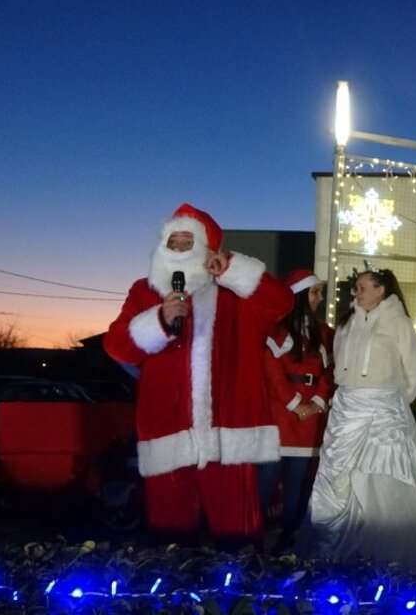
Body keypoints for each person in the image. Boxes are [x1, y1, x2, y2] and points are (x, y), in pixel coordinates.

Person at [103, 203, 293, 550]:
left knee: (238, 536)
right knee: (170, 539)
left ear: (207, 248)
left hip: (227, 432)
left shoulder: (235, 295)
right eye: (171, 240)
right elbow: (117, 346)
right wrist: (158, 320)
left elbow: (281, 303)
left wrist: (234, 270)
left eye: (186, 240)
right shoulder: (144, 292)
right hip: (167, 432)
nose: (176, 247)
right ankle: (172, 598)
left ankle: (238, 599)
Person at [297, 267, 416, 572]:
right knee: (338, 476)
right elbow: (338, 362)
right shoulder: (347, 322)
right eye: (357, 287)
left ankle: (390, 551)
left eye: (364, 286)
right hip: (348, 408)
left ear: (381, 290)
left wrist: (393, 400)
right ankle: (335, 547)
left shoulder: (398, 322)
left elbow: (415, 370)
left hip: (383, 408)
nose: (358, 292)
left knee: (384, 475)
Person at [259, 269, 334, 553]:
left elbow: (330, 372)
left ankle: (288, 541)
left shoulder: (323, 332)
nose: (320, 297)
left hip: (309, 422)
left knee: (298, 486)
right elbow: (272, 371)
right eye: (315, 292)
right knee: (265, 483)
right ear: (301, 296)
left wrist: (315, 403)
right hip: (279, 418)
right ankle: (252, 542)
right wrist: (294, 404)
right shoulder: (276, 331)